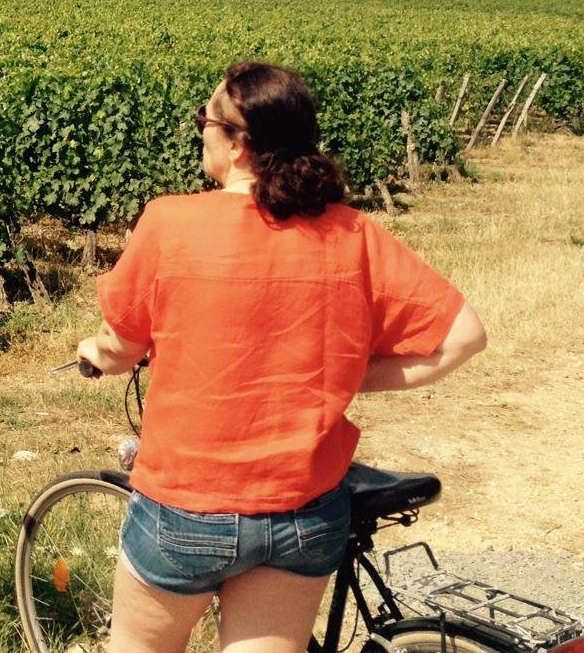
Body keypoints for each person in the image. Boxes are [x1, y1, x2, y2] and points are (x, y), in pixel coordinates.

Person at [77, 61, 487, 653]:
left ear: (239, 144)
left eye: (206, 119)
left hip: (188, 505)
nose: (200, 131)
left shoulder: (170, 222)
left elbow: (123, 347)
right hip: (302, 511)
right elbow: (464, 336)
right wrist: (339, 375)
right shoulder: (351, 234)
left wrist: (95, 350)